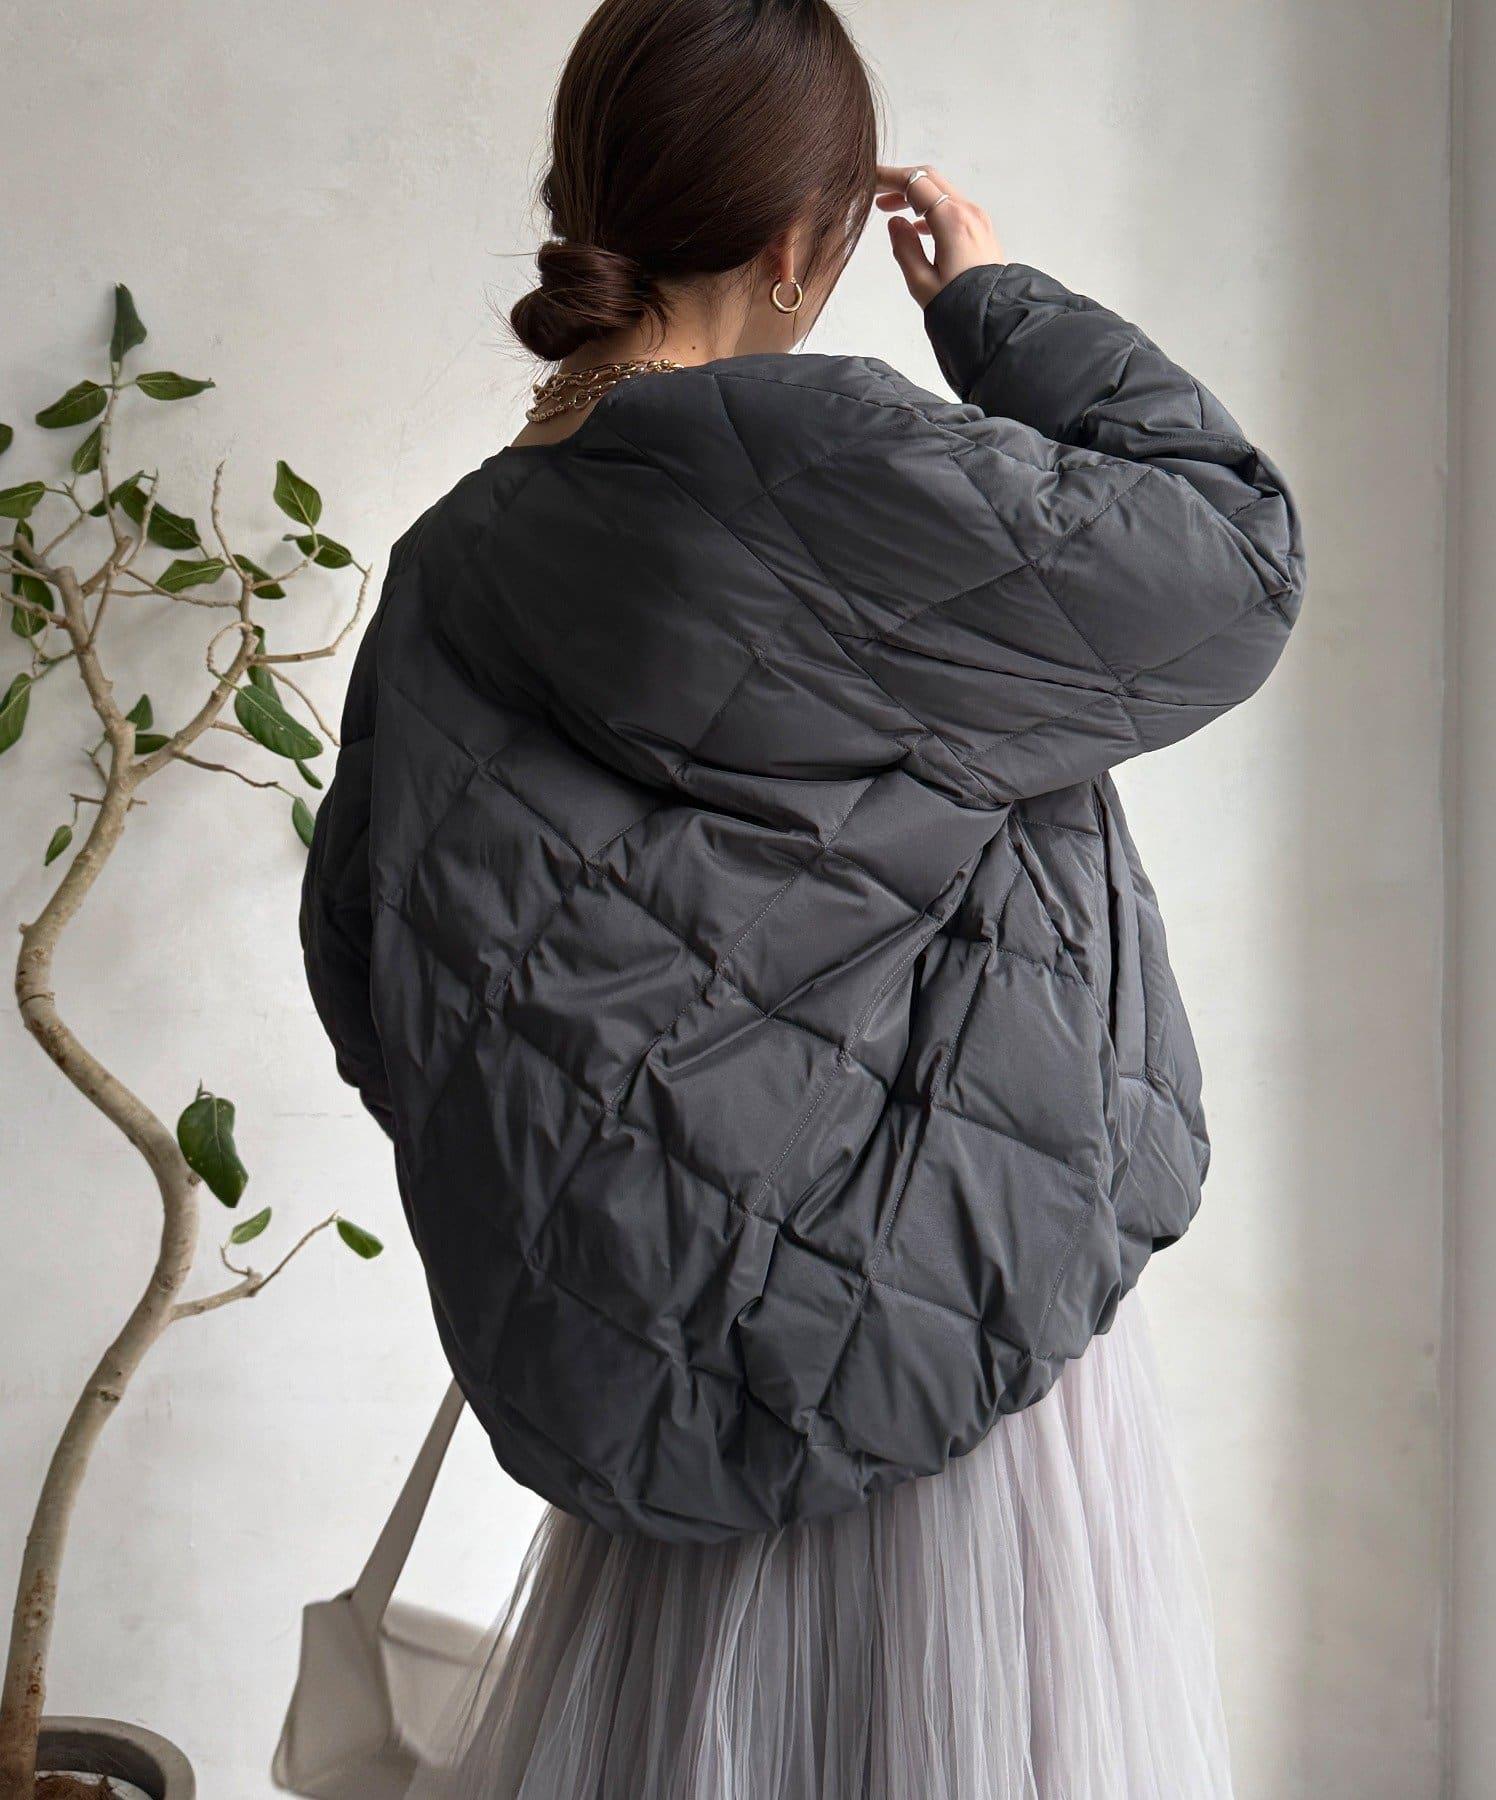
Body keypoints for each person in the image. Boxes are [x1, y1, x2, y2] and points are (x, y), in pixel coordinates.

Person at [300, 1, 1305, 1793]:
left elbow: (374, 971)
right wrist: (993, 303)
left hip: (648, 1350)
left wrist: (626, 1174)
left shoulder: (453, 565)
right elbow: (1233, 559)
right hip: (959, 1314)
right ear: (796, 241)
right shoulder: (845, 459)